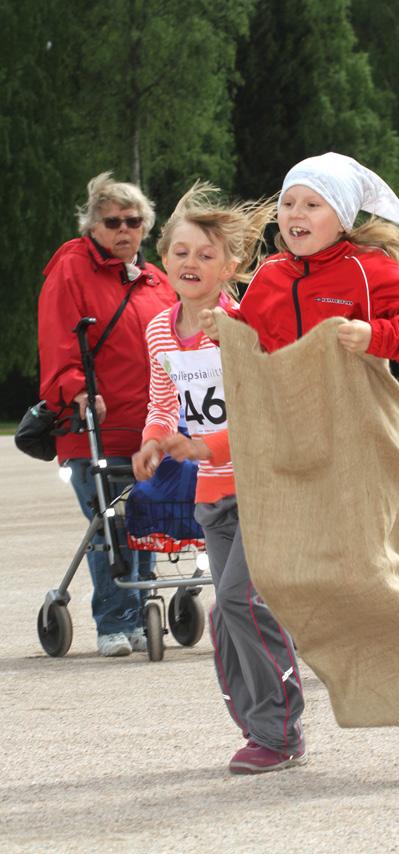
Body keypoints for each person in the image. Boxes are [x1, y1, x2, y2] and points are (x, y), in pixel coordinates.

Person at [132, 183, 306, 775]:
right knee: (230, 611)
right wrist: (153, 441)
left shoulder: (239, 324)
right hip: (212, 492)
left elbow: (260, 415)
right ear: (163, 261)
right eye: (180, 252)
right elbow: (164, 399)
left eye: (206, 255)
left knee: (238, 599)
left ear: (231, 267)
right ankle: (262, 723)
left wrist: (201, 443)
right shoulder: (159, 328)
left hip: (262, 484)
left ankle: (279, 733)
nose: (191, 263)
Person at [38, 172, 175, 657]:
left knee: (146, 520)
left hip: (151, 429)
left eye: (133, 221)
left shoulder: (156, 278)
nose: (124, 230)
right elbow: (57, 339)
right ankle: (115, 622)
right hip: (93, 428)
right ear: (92, 225)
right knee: (111, 524)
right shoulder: (70, 269)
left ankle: (142, 613)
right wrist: (75, 389)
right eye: (112, 221)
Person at [199, 151, 399, 368]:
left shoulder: (371, 269)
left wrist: (375, 336)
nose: (296, 213)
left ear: (342, 220)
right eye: (287, 203)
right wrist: (227, 328)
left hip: (352, 424)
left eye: (312, 205)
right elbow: (255, 340)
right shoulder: (270, 271)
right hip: (283, 422)